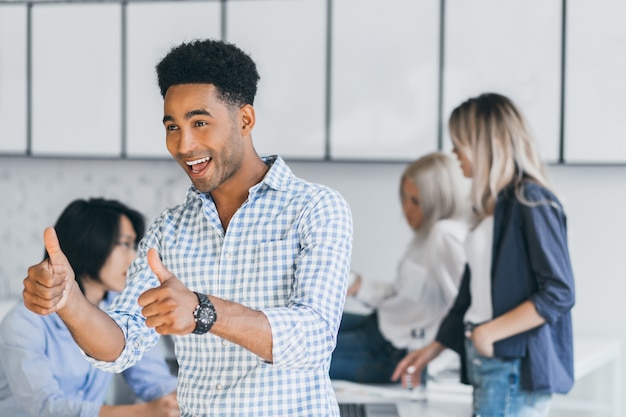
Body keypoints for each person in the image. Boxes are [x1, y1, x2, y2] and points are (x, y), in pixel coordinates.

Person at [22, 39, 353, 417]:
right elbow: (122, 346)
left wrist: (203, 311)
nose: (184, 144)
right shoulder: (170, 230)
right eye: (172, 127)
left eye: (199, 123)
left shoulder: (316, 208)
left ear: (245, 120)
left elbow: (314, 337)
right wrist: (71, 303)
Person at [391, 93, 575, 417]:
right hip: (488, 361)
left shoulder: (532, 201)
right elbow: (471, 294)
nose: (453, 152)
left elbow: (559, 292)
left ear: (485, 144)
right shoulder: (489, 210)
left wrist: (489, 332)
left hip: (511, 363)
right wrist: (435, 348)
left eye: (459, 142)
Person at [0, 198, 179, 417]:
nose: (134, 258)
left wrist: (188, 399)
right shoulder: (23, 323)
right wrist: (142, 412)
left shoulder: (125, 310)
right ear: (91, 243)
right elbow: (45, 408)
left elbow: (153, 380)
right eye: (125, 244)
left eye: (135, 246)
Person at [329, 152, 470, 384]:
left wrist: (430, 365)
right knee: (297, 326)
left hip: (390, 352)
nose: (407, 209)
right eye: (404, 198)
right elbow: (408, 296)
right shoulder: (426, 238)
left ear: (439, 201)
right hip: (379, 325)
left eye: (416, 201)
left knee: (289, 354)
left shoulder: (445, 236)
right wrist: (358, 284)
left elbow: (463, 310)